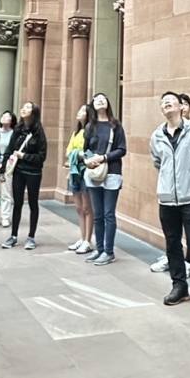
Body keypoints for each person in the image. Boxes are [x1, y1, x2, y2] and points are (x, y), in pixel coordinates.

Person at [149, 90, 190, 312]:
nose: (166, 105)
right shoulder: (157, 135)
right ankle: (179, 286)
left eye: (170, 102)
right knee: (172, 243)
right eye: (163, 103)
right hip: (167, 199)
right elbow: (157, 162)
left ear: (180, 107)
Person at [149, 93, 190, 276]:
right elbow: (158, 161)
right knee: (172, 236)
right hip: (169, 194)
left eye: (183, 104)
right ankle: (176, 271)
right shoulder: (159, 134)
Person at [82, 93, 127, 266]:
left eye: (103, 98)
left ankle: (109, 251)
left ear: (108, 103)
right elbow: (85, 149)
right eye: (96, 98)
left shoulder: (115, 125)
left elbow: (122, 149)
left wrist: (104, 158)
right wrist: (88, 160)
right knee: (98, 214)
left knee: (109, 214)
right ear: (93, 104)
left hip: (112, 172)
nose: (100, 100)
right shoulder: (90, 126)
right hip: (94, 173)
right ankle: (99, 249)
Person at [1, 102, 47, 249]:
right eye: (24, 107)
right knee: (17, 203)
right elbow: (9, 149)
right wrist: (3, 168)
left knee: (33, 203)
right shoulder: (18, 130)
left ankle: (31, 237)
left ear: (34, 112)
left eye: (27, 107)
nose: (23, 109)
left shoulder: (39, 132)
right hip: (18, 171)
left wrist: (24, 156)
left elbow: (42, 156)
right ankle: (13, 236)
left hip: (33, 172)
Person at [65, 104, 94, 254]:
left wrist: (75, 155)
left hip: (85, 171)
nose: (79, 112)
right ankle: (82, 238)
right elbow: (68, 151)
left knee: (87, 208)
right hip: (74, 172)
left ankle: (88, 240)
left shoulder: (90, 131)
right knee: (78, 208)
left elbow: (87, 152)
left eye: (83, 110)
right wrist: (76, 154)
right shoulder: (76, 132)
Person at [0, 110, 16, 229]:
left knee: (6, 192)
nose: (4, 117)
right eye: (3, 115)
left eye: (7, 116)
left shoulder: (14, 134)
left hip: (7, 164)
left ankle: (5, 217)